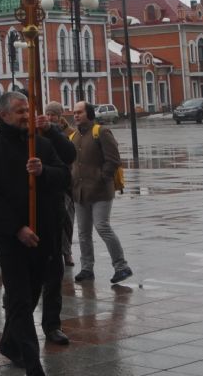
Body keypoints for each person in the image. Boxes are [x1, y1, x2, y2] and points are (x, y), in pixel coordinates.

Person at [0, 92, 71, 376]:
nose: (26, 115)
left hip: (42, 235)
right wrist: (17, 228)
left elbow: (65, 176)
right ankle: (33, 366)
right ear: (3, 115)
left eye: (27, 110)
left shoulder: (41, 145)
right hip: (10, 238)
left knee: (30, 294)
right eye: (19, 111)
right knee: (18, 298)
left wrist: (43, 172)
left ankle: (9, 343)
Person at [70, 100, 133, 285]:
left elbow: (113, 159)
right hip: (79, 192)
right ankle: (87, 268)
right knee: (83, 233)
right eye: (74, 113)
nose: (76, 115)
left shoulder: (101, 132)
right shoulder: (73, 136)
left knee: (102, 226)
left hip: (100, 192)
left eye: (79, 112)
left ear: (89, 114)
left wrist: (102, 177)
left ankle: (121, 266)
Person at [34, 103, 77, 346]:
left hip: (51, 211)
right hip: (23, 217)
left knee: (53, 273)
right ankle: (17, 327)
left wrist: (50, 131)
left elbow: (69, 158)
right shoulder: (9, 141)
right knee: (23, 279)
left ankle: (52, 324)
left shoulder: (52, 137)